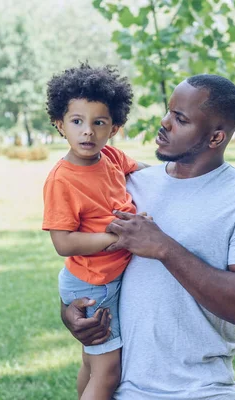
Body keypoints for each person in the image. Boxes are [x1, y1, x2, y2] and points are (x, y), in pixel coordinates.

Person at [61, 74, 235, 399]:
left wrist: (164, 247)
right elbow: (84, 261)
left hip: (203, 392)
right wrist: (71, 311)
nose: (164, 123)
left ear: (215, 137)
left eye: (180, 119)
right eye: (169, 111)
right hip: (123, 391)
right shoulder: (128, 184)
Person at [42, 63, 148, 400]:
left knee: (91, 365)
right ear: (60, 125)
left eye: (98, 122)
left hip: (100, 277)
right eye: (77, 122)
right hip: (92, 282)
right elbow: (62, 241)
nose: (87, 131)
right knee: (107, 373)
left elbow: (147, 173)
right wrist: (116, 239)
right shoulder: (63, 179)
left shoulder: (113, 158)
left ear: (114, 127)